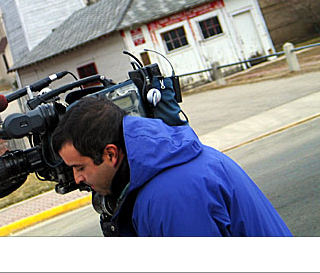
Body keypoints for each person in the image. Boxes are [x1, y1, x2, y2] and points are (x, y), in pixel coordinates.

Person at [52, 95, 293, 237]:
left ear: (111, 154)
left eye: (79, 167)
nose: (77, 179)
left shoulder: (168, 197)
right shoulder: (170, 163)